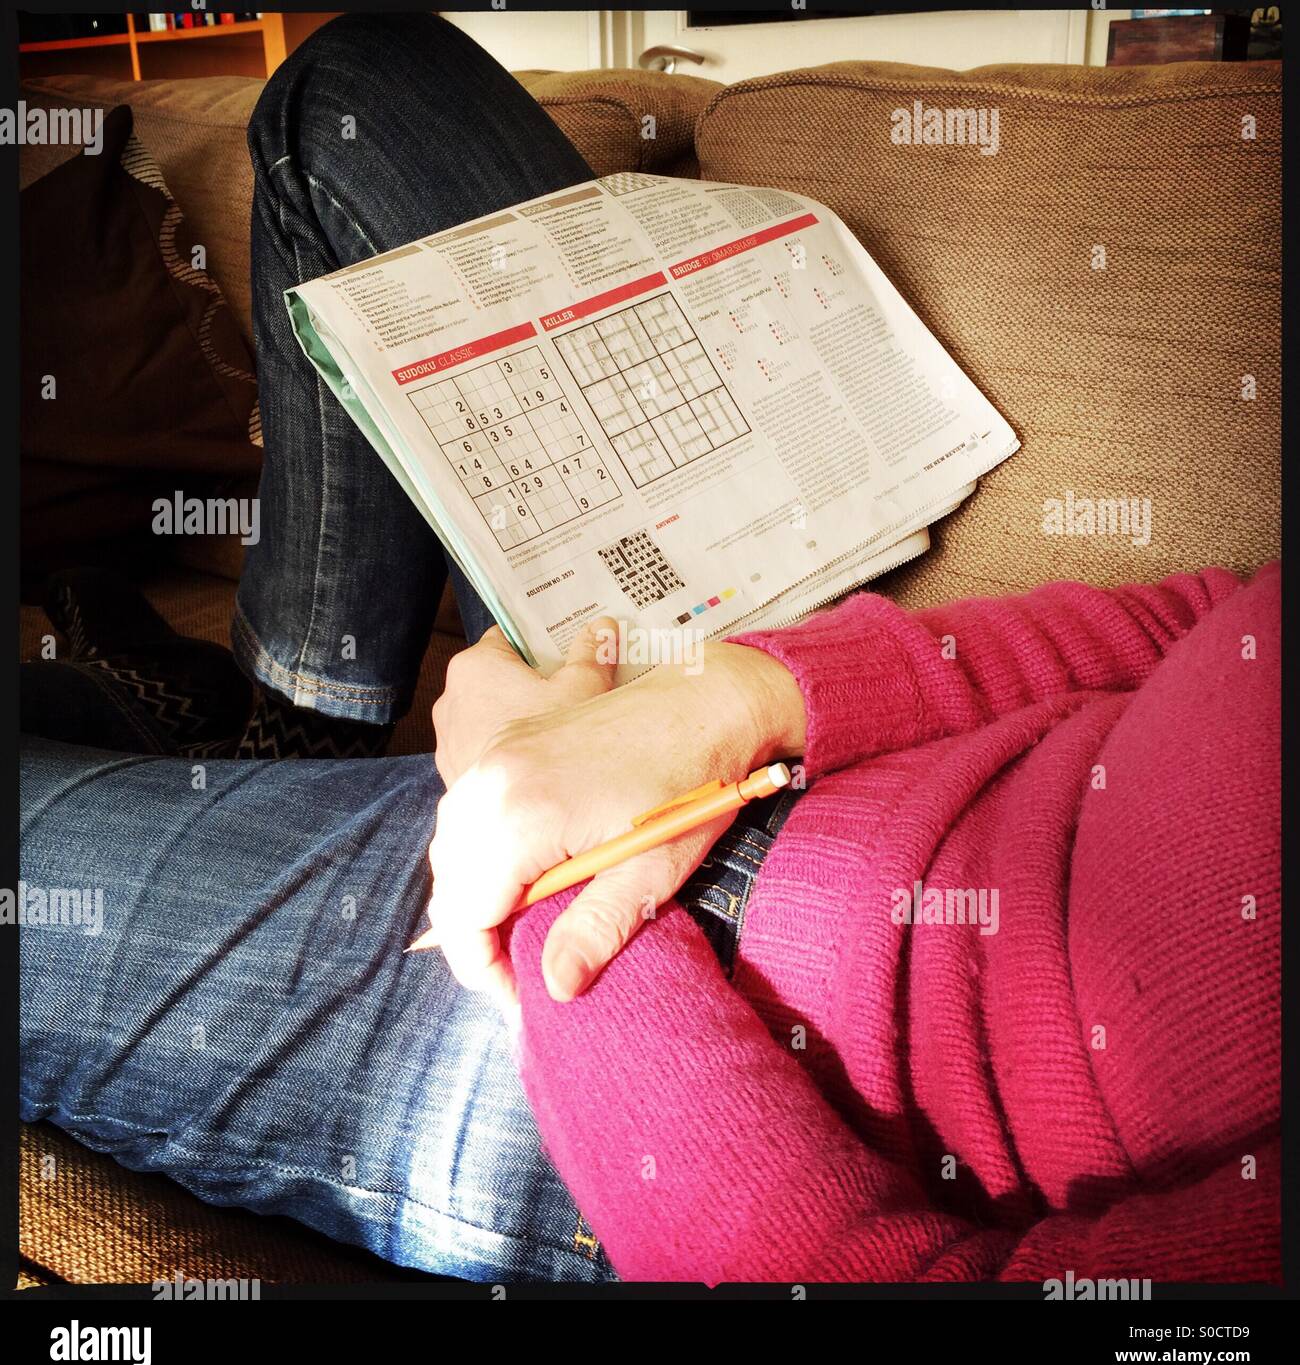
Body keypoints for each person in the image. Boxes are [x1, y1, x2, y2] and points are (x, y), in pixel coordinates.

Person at [19, 13, 1279, 1285]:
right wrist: (750, 691)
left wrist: (552, 822)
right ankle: (280, 714)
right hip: (759, 729)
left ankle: (168, 716)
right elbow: (1197, 621)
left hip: (686, 1026)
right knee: (361, 81)